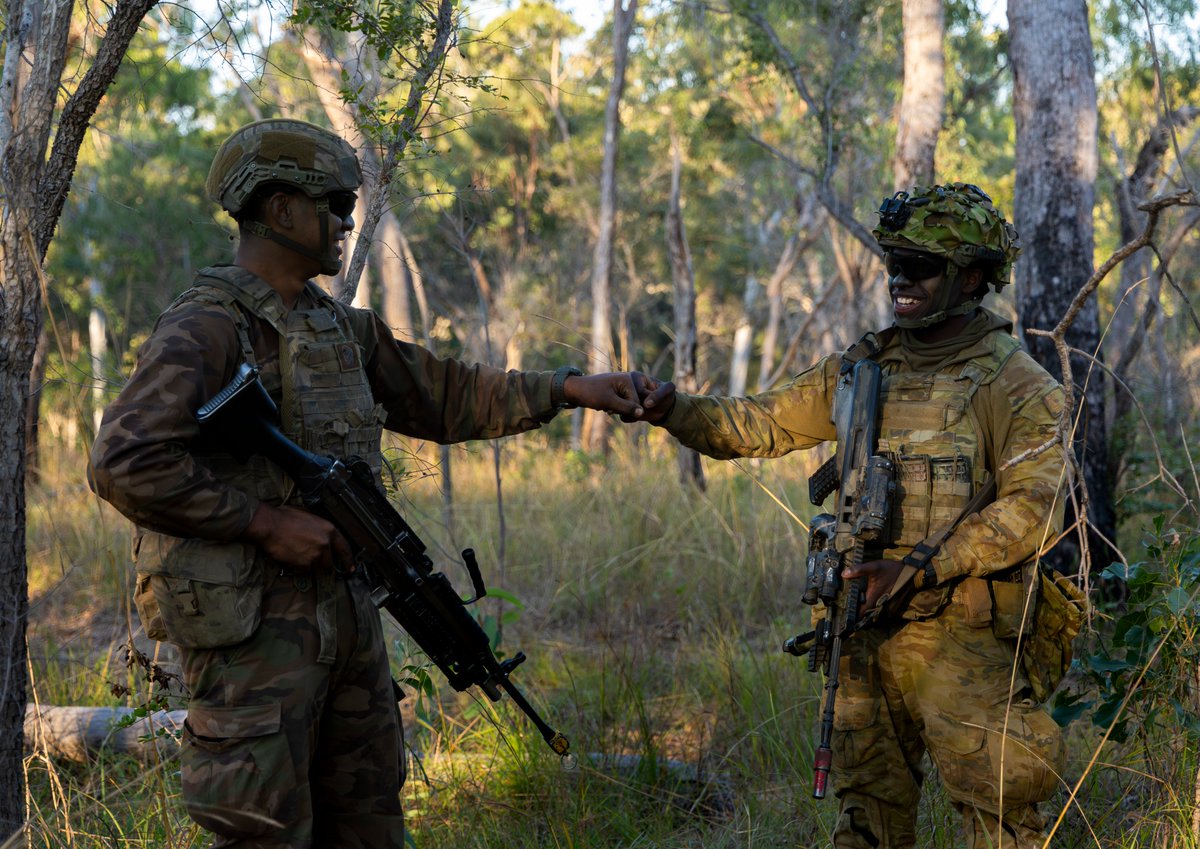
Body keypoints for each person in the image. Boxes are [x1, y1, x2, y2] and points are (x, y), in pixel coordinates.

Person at [88, 118, 647, 849]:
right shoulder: (207, 328)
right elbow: (123, 459)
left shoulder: (340, 330)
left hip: (346, 627)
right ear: (281, 208)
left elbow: (446, 395)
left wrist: (571, 388)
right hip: (254, 643)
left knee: (368, 822)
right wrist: (264, 523)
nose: (349, 222)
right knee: (262, 833)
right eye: (336, 204)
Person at [630, 183, 1070, 848]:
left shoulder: (1015, 383)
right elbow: (760, 421)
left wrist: (920, 568)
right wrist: (671, 408)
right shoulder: (863, 367)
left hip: (965, 644)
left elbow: (1037, 509)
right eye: (893, 260)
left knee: (999, 818)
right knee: (865, 817)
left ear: (971, 276)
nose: (901, 277)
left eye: (921, 264)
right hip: (862, 634)